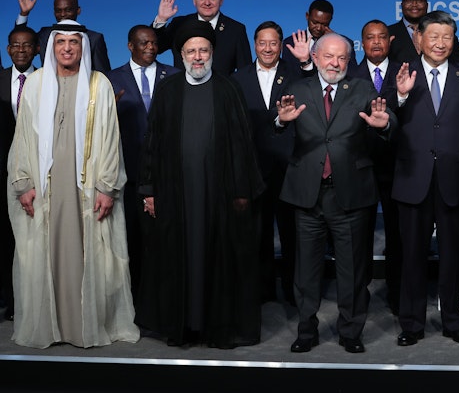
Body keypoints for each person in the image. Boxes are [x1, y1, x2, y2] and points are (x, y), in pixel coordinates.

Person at [7, 20, 139, 348]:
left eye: (74, 43)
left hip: (88, 190)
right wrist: (23, 183)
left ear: (83, 48)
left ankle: (85, 325)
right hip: (46, 188)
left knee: (92, 256)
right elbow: (22, 136)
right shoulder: (36, 84)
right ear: (51, 47)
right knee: (43, 255)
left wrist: (108, 187)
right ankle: (50, 327)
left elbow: (110, 140)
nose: (67, 48)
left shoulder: (99, 85)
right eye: (61, 42)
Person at [136, 19, 265, 349]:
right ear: (181, 55)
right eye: (191, 51)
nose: (197, 57)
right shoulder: (167, 90)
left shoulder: (228, 88)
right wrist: (149, 190)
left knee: (219, 260)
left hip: (218, 195)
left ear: (212, 54)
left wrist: (240, 192)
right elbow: (152, 143)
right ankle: (183, 326)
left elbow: (242, 144)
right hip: (175, 194)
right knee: (178, 260)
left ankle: (215, 326)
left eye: (203, 50)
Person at [276, 33, 396, 354]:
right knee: (306, 270)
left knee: (353, 270)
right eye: (329, 56)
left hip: (351, 194)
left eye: (342, 58)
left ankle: (350, 330)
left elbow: (387, 118)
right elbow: (277, 124)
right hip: (307, 194)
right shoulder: (298, 88)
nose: (335, 63)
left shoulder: (360, 88)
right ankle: (306, 329)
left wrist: (384, 124)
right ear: (314, 57)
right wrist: (280, 121)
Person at [392, 10, 459, 347]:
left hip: (456, 179)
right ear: (419, 38)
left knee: (453, 256)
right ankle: (412, 323)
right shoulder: (400, 74)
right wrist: (401, 97)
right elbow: (386, 122)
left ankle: (453, 320)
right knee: (412, 257)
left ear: (454, 41)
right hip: (412, 178)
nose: (439, 43)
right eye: (433, 36)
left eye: (446, 37)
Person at [106, 25, 180, 297]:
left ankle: (165, 295)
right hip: (130, 171)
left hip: (168, 171)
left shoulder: (173, 75)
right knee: (133, 237)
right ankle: (136, 296)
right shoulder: (111, 79)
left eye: (153, 43)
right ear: (130, 46)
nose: (150, 47)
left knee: (165, 237)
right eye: (143, 43)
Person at [233, 21, 300, 306]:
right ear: (255, 43)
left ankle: (293, 289)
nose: (268, 48)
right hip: (254, 167)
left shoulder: (296, 73)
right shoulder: (238, 78)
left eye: (273, 43)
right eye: (262, 42)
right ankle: (260, 289)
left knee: (292, 233)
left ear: (281, 44)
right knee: (257, 232)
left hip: (289, 166)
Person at [354, 19, 401, 315]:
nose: (376, 42)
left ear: (390, 41)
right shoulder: (349, 73)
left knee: (398, 235)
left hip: (398, 166)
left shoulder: (407, 72)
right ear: (362, 43)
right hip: (360, 166)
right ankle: (359, 297)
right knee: (358, 236)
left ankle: (398, 295)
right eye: (370, 38)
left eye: (381, 37)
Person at [0, 25, 39, 322]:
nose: (22, 50)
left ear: (37, 49)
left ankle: (27, 302)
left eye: (27, 45)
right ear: (8, 49)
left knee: (29, 240)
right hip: (2, 169)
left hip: (34, 173)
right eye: (16, 45)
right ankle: (7, 301)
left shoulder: (46, 82)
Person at [152, 0, 252, 76]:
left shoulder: (236, 30)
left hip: (221, 90)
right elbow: (157, 48)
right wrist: (161, 19)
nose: (207, 2)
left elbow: (245, 72)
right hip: (183, 90)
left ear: (221, 0)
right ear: (194, 0)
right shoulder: (179, 24)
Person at [15, 0, 112, 74]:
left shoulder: (94, 39)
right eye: (58, 11)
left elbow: (103, 74)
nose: (63, 14)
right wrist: (24, 13)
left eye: (68, 10)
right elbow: (20, 38)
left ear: (78, 11)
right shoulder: (44, 35)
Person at [388, 0, 459, 66]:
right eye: (409, 0)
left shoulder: (444, 33)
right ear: (402, 5)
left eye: (419, 0)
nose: (414, 4)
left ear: (427, 5)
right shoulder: (388, 33)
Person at [281, 0, 358, 75]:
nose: (318, 28)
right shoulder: (290, 43)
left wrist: (337, 41)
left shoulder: (345, 43)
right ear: (307, 16)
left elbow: (353, 75)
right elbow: (288, 77)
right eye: (314, 22)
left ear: (330, 20)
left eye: (324, 24)